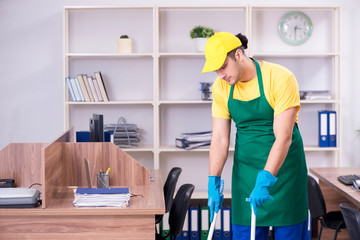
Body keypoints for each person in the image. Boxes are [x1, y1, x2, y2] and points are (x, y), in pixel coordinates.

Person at [203, 32, 308, 240]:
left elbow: (283, 137)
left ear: (239, 55)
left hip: (285, 172)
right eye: (216, 70)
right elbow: (220, 139)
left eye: (223, 66)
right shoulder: (221, 87)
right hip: (247, 173)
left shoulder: (280, 77)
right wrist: (213, 180)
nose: (220, 74)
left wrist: (266, 179)